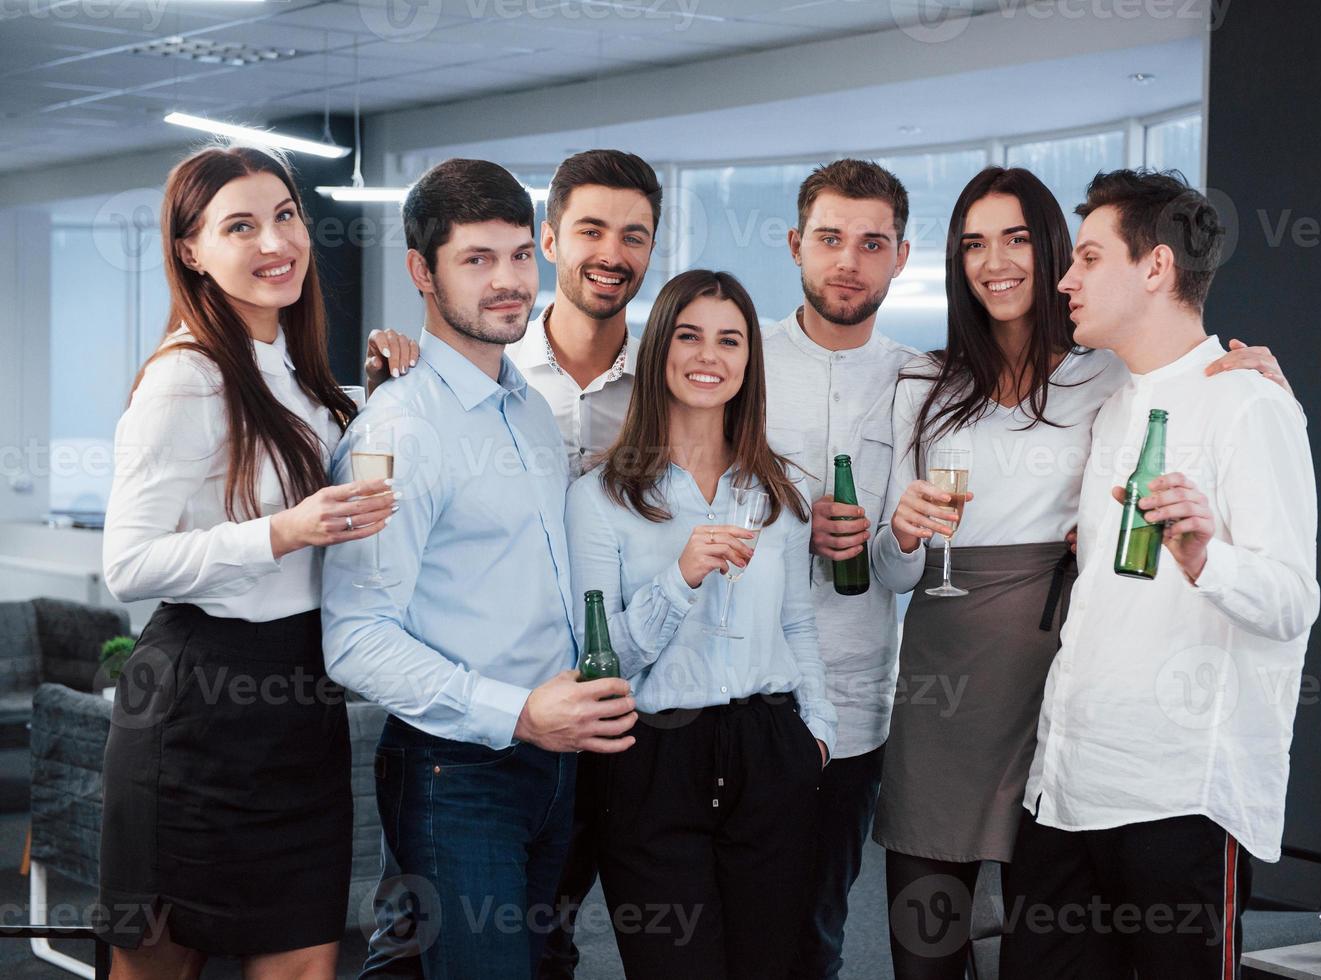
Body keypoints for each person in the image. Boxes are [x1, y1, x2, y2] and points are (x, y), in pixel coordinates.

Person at [868, 166, 1298, 980]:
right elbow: (895, 572)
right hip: (983, 699)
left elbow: (1189, 374)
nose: (998, 261)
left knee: (1076, 941)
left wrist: (1268, 381)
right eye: (972, 244)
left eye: (1021, 239)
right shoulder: (928, 383)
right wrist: (901, 534)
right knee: (938, 946)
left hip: (1078, 711)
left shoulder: (1116, 375)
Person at [997, 169, 1319, 979]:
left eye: (1088, 258)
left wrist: (1208, 560)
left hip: (1177, 801)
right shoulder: (1116, 403)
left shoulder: (1251, 405)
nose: (1064, 279)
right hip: (1067, 788)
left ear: (1156, 268)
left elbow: (1293, 600)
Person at [320, 158, 637, 980]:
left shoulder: (525, 410)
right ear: (422, 272)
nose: (508, 282)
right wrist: (517, 713)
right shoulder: (402, 430)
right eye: (476, 259)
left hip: (552, 762)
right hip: (457, 771)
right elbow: (354, 637)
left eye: (520, 255)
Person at [98, 144, 394, 979]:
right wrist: (282, 532)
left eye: (286, 216)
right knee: (158, 966)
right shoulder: (184, 378)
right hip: (197, 711)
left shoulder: (301, 377)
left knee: (307, 962)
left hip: (300, 711)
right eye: (241, 226)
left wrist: (385, 386)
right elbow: (128, 563)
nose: (276, 241)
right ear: (191, 250)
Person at [565, 269, 837, 980]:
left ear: (750, 361)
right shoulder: (601, 497)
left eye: (730, 340)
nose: (708, 356)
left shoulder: (781, 490)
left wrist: (818, 736)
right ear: (658, 351)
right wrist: (678, 580)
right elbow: (602, 665)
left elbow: (798, 626)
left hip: (770, 750)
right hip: (652, 760)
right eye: (688, 336)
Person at [760, 158, 917, 980]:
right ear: (795, 245)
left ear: (901, 256)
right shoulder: (736, 358)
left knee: (818, 923)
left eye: (871, 242)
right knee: (728, 915)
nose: (847, 261)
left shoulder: (923, 381)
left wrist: (901, 535)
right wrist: (793, 530)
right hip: (745, 690)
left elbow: (900, 575)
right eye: (829, 238)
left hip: (856, 700)